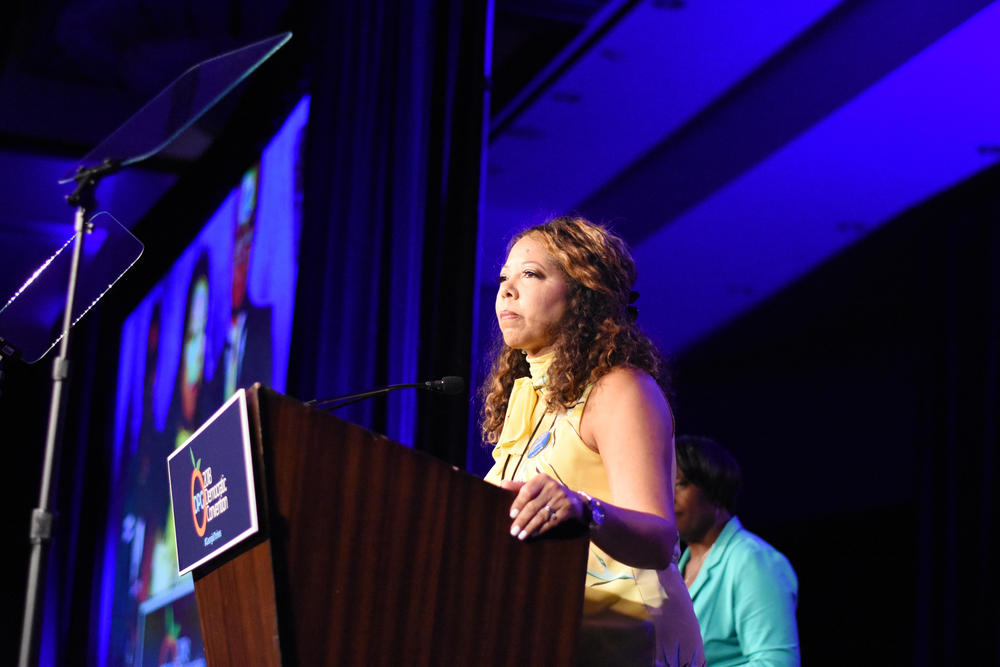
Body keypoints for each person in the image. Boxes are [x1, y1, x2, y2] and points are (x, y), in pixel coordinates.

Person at [481, 216, 704, 667]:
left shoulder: (619, 389)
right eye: (504, 277)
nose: (506, 289)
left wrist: (584, 510)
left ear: (582, 293)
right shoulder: (527, 402)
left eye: (531, 274)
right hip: (555, 630)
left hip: (626, 637)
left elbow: (659, 539)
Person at [674, 435, 800, 666]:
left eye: (680, 483)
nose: (668, 497)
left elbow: (776, 662)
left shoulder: (751, 560)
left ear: (714, 489)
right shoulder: (675, 568)